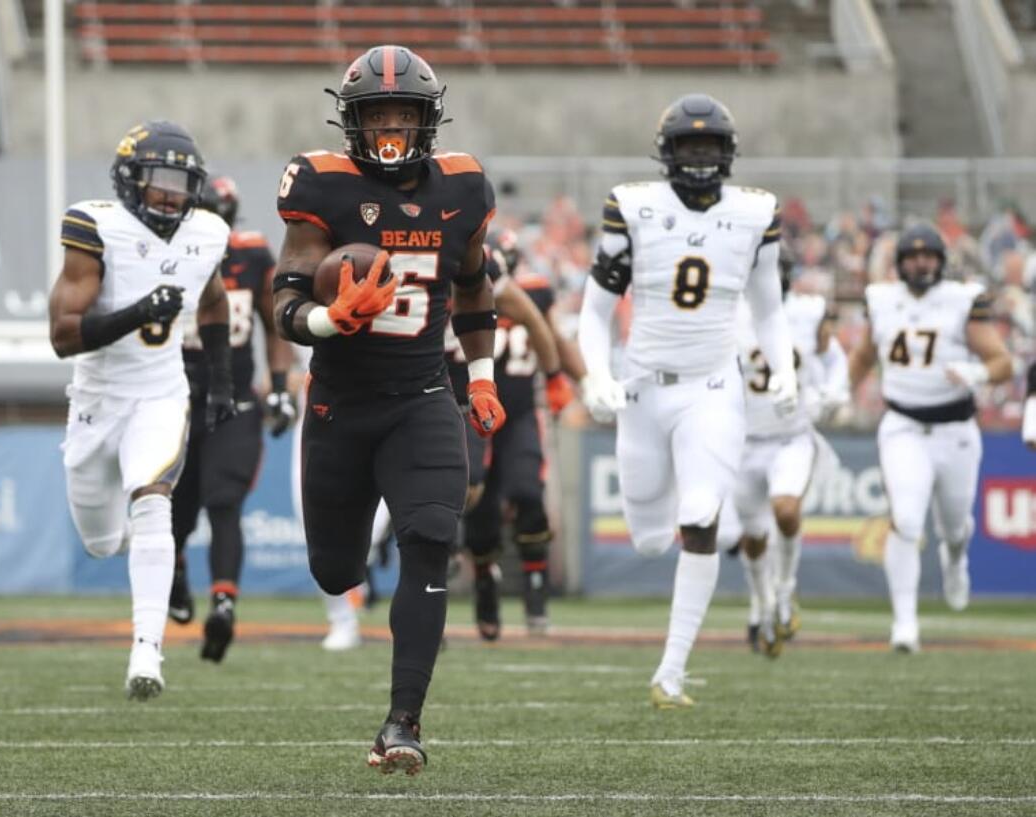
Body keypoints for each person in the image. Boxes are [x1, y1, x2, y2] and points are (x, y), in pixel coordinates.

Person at [273, 45, 503, 775]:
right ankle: (350, 582)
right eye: (378, 115)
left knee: (432, 537)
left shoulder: (463, 189)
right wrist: (325, 318)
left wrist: (484, 376)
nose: (391, 129)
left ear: (429, 119)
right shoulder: (324, 186)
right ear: (353, 122)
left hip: (422, 395)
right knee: (335, 569)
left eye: (404, 114)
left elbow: (473, 288)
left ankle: (402, 723)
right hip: (342, 401)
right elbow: (282, 297)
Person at [578, 94, 798, 708]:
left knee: (698, 519)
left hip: (714, 387)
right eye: (688, 148)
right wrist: (597, 373)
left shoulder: (755, 213)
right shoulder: (634, 206)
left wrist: (783, 371)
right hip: (644, 390)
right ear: (667, 153)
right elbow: (594, 312)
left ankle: (671, 671)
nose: (699, 159)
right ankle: (694, 493)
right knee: (650, 536)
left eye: (709, 148)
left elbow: (769, 308)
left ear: (726, 154)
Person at [48, 121, 235, 700]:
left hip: (161, 392)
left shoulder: (207, 231)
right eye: (158, 180)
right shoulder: (95, 225)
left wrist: (223, 382)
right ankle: (146, 565)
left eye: (181, 182)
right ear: (130, 180)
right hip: (98, 400)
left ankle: (146, 652)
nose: (170, 193)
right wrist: (135, 312)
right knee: (101, 541)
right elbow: (62, 336)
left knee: (154, 499)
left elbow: (213, 299)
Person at [848, 223, 1013, 652]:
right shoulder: (882, 300)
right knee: (904, 519)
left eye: (929, 256)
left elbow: (1002, 361)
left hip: (955, 430)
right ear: (900, 263)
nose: (921, 263)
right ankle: (905, 624)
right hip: (902, 426)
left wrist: (977, 372)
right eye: (912, 256)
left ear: (942, 261)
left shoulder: (961, 300)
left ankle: (955, 559)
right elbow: (865, 354)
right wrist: (840, 391)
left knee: (955, 527)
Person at [166, 175, 296, 664]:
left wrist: (281, 387)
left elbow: (274, 321)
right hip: (174, 402)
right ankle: (176, 573)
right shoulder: (164, 253)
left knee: (224, 502)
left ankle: (223, 603)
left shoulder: (253, 256)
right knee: (174, 509)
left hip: (236, 401)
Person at [461, 233, 582, 640]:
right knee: (476, 506)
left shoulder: (531, 292)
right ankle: (483, 580)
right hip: (469, 411)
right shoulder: (455, 288)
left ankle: (536, 592)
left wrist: (561, 380)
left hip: (519, 414)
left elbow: (548, 333)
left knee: (529, 493)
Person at [728, 246, 848, 655]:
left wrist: (830, 394)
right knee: (754, 537)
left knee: (786, 509)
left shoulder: (808, 312)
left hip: (791, 436)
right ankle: (761, 604)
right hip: (743, 442)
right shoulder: (729, 313)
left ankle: (784, 591)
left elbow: (836, 360)